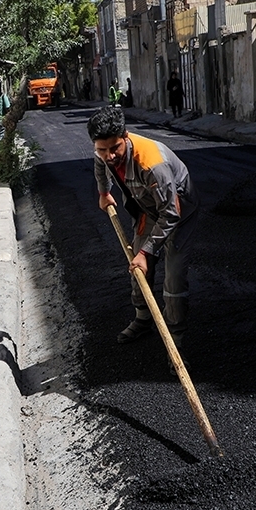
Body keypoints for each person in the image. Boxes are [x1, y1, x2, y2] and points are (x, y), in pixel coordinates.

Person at [87, 106, 198, 357]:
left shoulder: (152, 164)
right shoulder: (103, 151)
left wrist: (147, 252)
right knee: (137, 267)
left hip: (179, 212)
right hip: (149, 209)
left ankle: (176, 342)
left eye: (114, 148)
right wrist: (104, 192)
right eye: (102, 149)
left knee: (174, 278)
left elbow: (171, 213)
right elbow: (99, 166)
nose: (109, 155)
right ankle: (143, 319)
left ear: (125, 136)